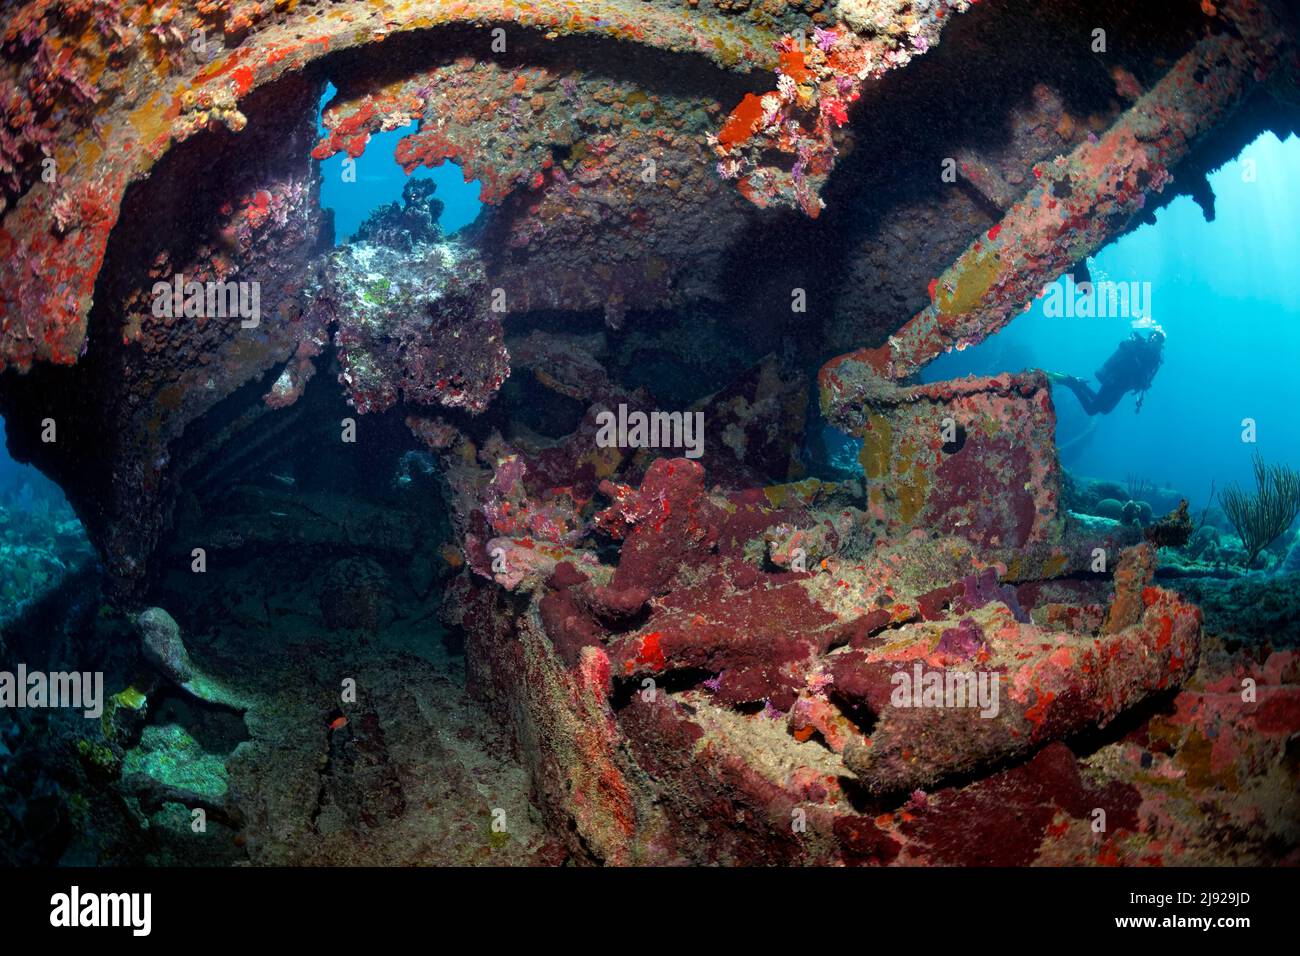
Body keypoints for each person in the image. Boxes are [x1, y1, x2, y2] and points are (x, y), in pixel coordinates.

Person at [1048, 330, 1165, 415]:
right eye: (1156, 342)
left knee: (1104, 410)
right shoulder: (1140, 350)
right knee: (1092, 410)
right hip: (1114, 381)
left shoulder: (1155, 359)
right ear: (1151, 340)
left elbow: (1144, 378)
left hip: (1122, 387)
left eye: (1160, 344)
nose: (1158, 346)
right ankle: (1071, 383)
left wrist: (1143, 384)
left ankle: (1080, 385)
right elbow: (1127, 365)